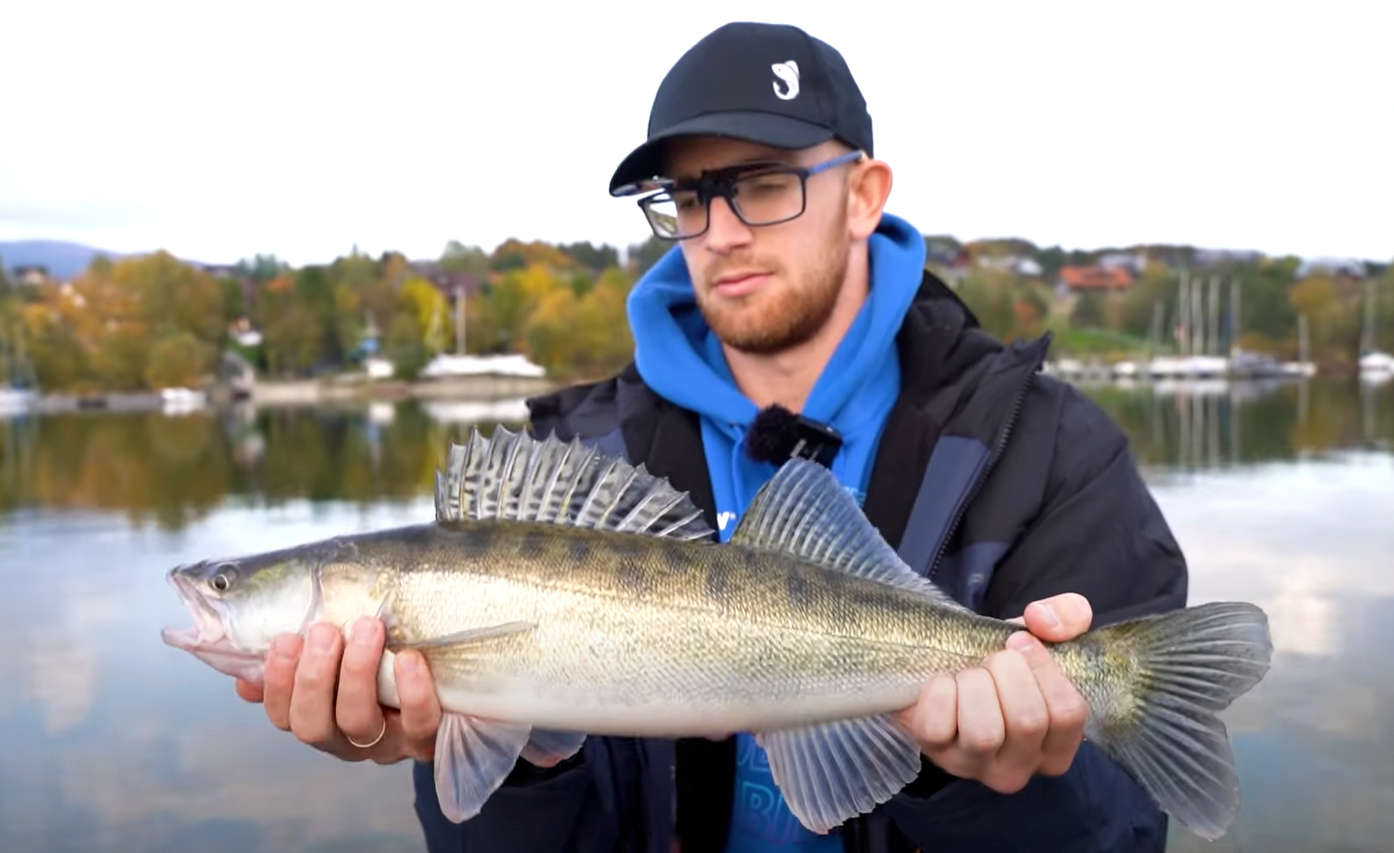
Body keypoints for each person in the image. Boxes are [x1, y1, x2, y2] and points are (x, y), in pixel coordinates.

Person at [236, 21, 1186, 852]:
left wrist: (979, 777)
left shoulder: (1050, 451)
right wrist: (512, 758)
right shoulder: (580, 455)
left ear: (864, 195)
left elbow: (1126, 833)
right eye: (689, 197)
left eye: (762, 185)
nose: (718, 233)